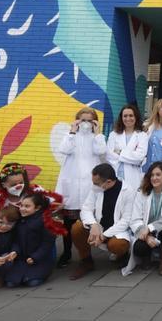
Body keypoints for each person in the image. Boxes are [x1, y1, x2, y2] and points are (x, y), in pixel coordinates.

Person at [0, 163, 63, 265]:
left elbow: (57, 204)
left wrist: (54, 217)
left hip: (31, 239)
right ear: (4, 184)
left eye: (21, 182)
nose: (18, 186)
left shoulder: (35, 192)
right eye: (13, 184)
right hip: (3, 240)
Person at [56, 107, 108, 268]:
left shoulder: (97, 137)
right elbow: (63, 149)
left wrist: (98, 132)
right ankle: (66, 252)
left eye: (89, 120)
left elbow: (102, 151)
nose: (85, 123)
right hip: (71, 184)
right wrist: (72, 131)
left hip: (89, 185)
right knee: (69, 221)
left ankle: (86, 254)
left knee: (88, 219)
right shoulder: (71, 137)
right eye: (82, 120)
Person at [69, 163, 135, 280]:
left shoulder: (128, 191)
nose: (93, 186)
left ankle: (122, 255)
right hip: (99, 227)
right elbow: (86, 208)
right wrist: (93, 225)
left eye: (96, 183)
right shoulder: (96, 189)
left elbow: (126, 220)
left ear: (108, 182)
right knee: (77, 228)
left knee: (118, 245)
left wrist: (103, 236)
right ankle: (86, 261)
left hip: (116, 230)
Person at [122, 161, 162, 276]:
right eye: (152, 175)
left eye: (158, 175)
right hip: (145, 232)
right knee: (139, 248)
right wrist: (147, 236)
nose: (154, 178)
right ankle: (146, 257)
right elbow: (135, 219)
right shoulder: (141, 193)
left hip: (161, 230)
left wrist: (149, 228)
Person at [5, 193, 65, 287]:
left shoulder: (45, 222)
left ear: (37, 208)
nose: (22, 209)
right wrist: (14, 251)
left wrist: (35, 257)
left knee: (32, 282)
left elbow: (47, 244)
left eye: (27, 206)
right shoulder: (19, 221)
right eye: (21, 205)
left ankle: (42, 274)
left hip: (40, 260)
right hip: (22, 259)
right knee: (10, 283)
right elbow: (16, 241)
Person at [106, 104, 148, 191]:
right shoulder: (113, 134)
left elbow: (139, 158)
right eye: (125, 116)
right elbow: (109, 156)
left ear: (136, 117)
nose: (128, 118)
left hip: (133, 176)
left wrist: (119, 152)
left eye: (131, 115)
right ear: (121, 118)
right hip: (115, 173)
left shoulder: (142, 136)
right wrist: (130, 156)